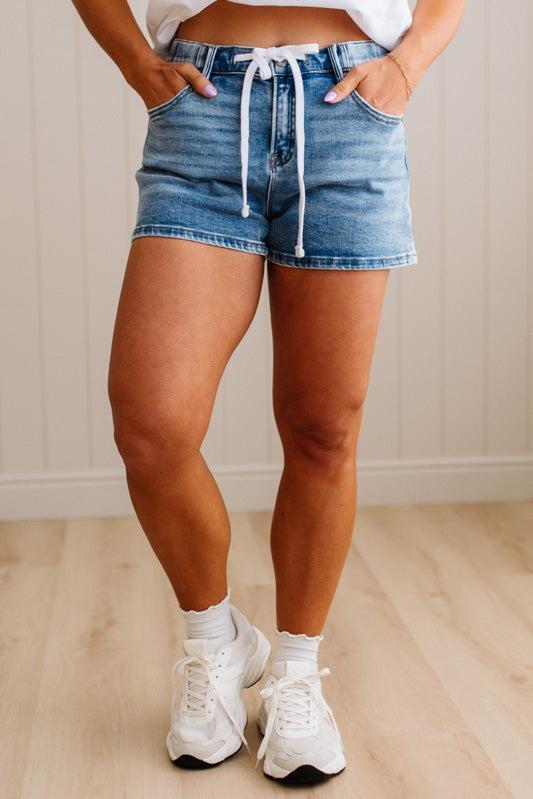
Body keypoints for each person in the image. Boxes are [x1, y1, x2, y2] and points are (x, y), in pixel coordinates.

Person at [72, 0, 466, 784]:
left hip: (347, 107)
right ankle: (215, 640)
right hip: (206, 107)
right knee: (151, 425)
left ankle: (293, 673)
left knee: (321, 428)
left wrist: (408, 63)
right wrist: (137, 64)